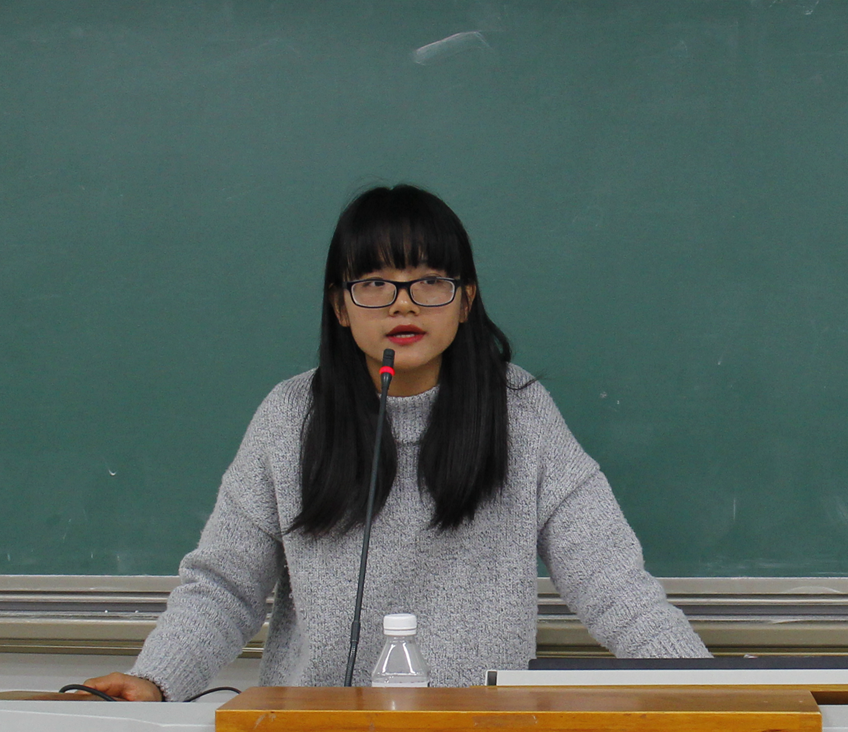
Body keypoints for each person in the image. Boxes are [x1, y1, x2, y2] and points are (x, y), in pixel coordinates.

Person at [85, 184, 709, 702]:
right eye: (375, 283)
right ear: (340, 306)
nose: (403, 305)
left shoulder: (519, 412)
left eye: (429, 281)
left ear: (465, 301)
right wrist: (156, 679)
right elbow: (225, 587)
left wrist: (708, 690)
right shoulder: (290, 417)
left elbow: (614, 585)